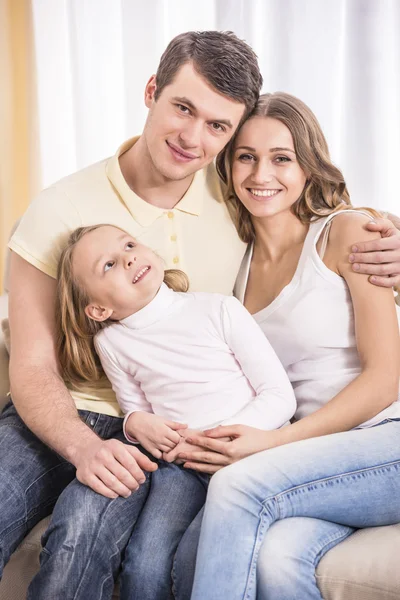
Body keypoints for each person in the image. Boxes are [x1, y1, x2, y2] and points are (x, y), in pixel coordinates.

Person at [1, 27, 399, 598]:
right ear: (151, 92)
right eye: (182, 108)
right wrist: (89, 444)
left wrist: (392, 236)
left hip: (248, 434)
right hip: (92, 415)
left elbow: (315, 210)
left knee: (183, 513)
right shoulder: (68, 209)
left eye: (218, 126)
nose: (194, 138)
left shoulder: (271, 202)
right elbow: (34, 363)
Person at [169, 92, 400, 600]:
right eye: (245, 157)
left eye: (281, 158)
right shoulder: (235, 269)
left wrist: (272, 444)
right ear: (227, 166)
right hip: (318, 457)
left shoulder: (347, 233)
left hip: (387, 440)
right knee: (274, 558)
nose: (260, 174)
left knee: (237, 486)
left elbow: (386, 379)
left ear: (308, 167)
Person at [55, 222, 296, 597]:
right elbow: (135, 410)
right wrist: (136, 424)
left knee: (191, 562)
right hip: (179, 470)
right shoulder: (112, 342)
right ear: (99, 309)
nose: (129, 257)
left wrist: (219, 441)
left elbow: (279, 395)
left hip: (246, 458)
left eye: (129, 244)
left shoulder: (219, 309)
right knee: (144, 564)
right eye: (109, 265)